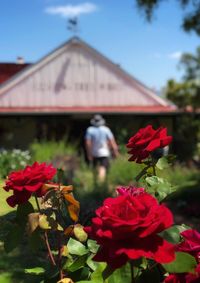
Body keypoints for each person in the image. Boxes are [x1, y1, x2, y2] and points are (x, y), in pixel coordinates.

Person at [85, 114, 119, 182]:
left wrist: (89, 153)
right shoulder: (106, 129)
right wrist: (115, 151)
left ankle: (96, 184)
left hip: (94, 152)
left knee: (95, 169)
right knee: (103, 168)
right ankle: (101, 183)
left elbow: (88, 143)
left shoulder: (90, 130)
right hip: (104, 152)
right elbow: (112, 142)